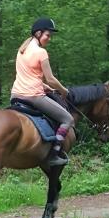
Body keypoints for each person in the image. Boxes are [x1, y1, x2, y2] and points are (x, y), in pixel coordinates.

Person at [11, 17, 74, 168]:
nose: (49, 38)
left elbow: (28, 75)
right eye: (48, 35)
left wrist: (45, 86)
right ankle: (54, 154)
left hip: (15, 95)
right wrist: (63, 90)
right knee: (68, 119)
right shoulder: (41, 52)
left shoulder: (22, 50)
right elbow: (51, 79)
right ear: (38, 33)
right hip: (33, 96)